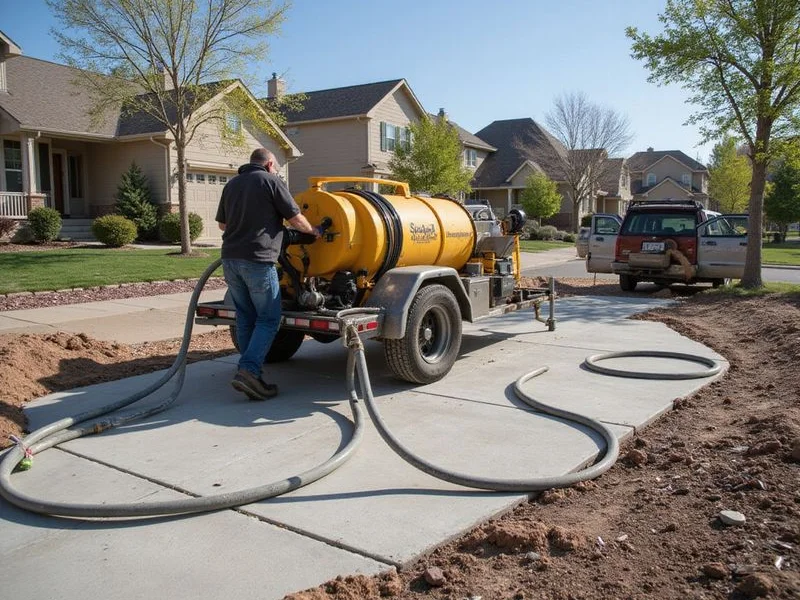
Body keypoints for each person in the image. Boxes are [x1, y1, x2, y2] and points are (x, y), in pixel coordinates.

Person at [215, 148, 320, 400]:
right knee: (268, 318)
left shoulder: (232, 185)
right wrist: (314, 231)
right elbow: (295, 218)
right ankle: (249, 371)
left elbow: (222, 225)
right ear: (270, 164)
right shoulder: (271, 181)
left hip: (229, 259)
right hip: (258, 260)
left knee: (245, 317)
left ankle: (249, 370)